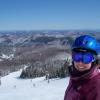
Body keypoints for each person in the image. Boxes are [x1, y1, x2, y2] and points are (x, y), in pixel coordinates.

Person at [64, 35, 100, 100]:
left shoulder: (97, 87)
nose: (80, 62)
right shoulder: (76, 76)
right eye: (77, 57)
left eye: (86, 58)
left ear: (94, 60)